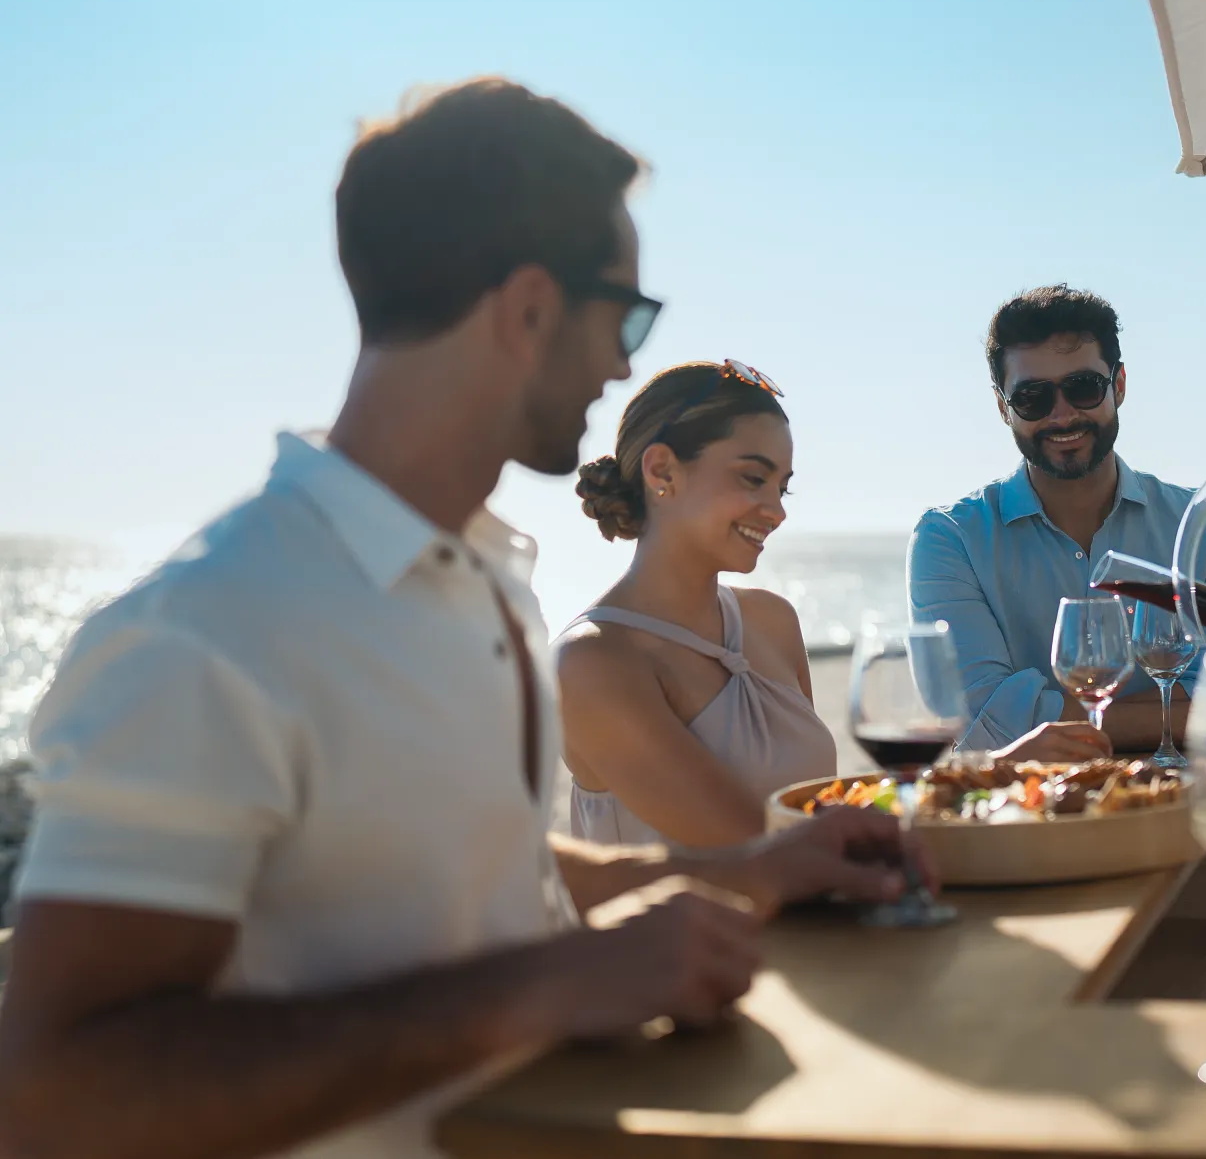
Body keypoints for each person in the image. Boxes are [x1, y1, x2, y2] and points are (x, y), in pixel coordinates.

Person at [0, 80, 922, 1159]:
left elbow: (486, 877)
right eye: (625, 316)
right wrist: (541, 986)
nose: (626, 363)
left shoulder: (482, 584)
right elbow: (50, 1095)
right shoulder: (204, 632)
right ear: (529, 309)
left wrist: (754, 870)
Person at [910, 285, 1206, 755]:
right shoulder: (950, 539)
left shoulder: (1205, 526)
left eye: (1083, 387)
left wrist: (1046, 718)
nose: (1062, 415)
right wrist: (1181, 714)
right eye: (1032, 397)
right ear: (1002, 407)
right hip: (1027, 803)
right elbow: (980, 720)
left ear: (1119, 385)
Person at [557, 360, 838, 849]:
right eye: (754, 478)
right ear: (662, 471)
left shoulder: (773, 621)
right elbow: (757, 850)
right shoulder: (591, 662)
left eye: (782, 487)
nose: (777, 511)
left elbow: (818, 809)